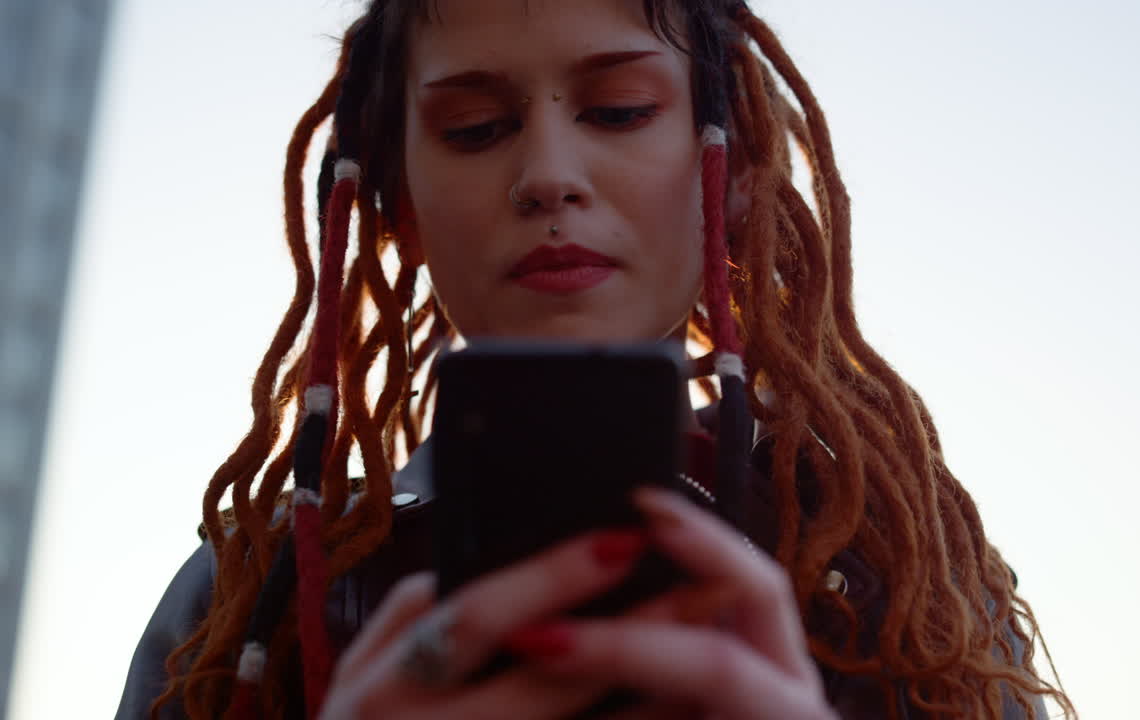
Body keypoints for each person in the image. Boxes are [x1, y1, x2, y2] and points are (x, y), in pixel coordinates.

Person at [116, 1, 1076, 718]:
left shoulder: (902, 584)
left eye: (618, 110)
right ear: (397, 201)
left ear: (736, 169)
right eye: (474, 128)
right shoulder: (251, 597)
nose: (548, 176)